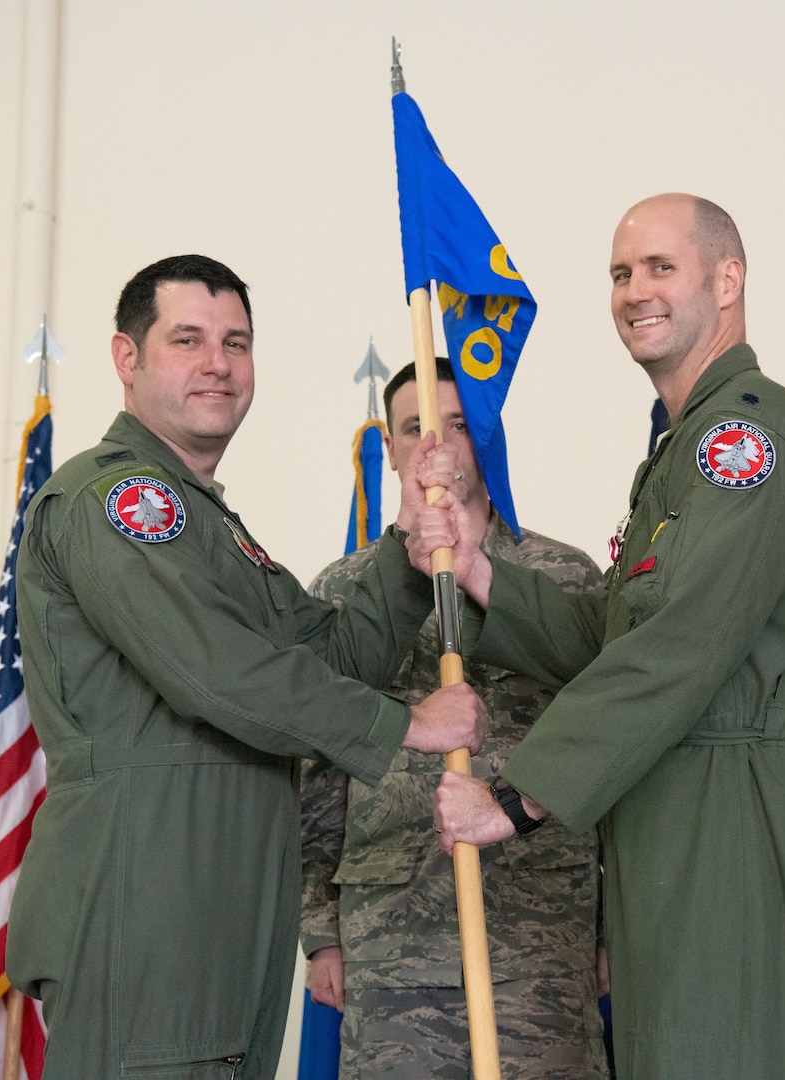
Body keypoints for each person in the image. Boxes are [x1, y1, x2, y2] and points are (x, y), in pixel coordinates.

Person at [5, 255, 488, 1079]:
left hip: (219, 899)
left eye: (236, 342)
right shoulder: (119, 502)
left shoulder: (211, 524)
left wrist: (408, 550)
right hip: (149, 891)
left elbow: (331, 654)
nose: (217, 363)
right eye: (187, 339)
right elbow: (218, 673)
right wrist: (407, 725)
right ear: (128, 359)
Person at [419, 194, 785, 1079]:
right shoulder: (681, 446)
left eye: (661, 267)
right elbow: (620, 632)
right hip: (671, 819)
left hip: (727, 820)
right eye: (621, 273)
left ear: (726, 280)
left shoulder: (745, 439)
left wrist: (516, 798)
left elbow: (682, 647)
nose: (634, 291)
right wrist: (479, 572)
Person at [299, 357, 609, 1079]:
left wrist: (613, 928)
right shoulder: (344, 592)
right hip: (392, 945)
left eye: (460, 427)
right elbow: (314, 769)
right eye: (417, 429)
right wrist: (322, 933)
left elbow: (611, 753)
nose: (438, 446)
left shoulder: (564, 577)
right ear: (392, 448)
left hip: (541, 932)